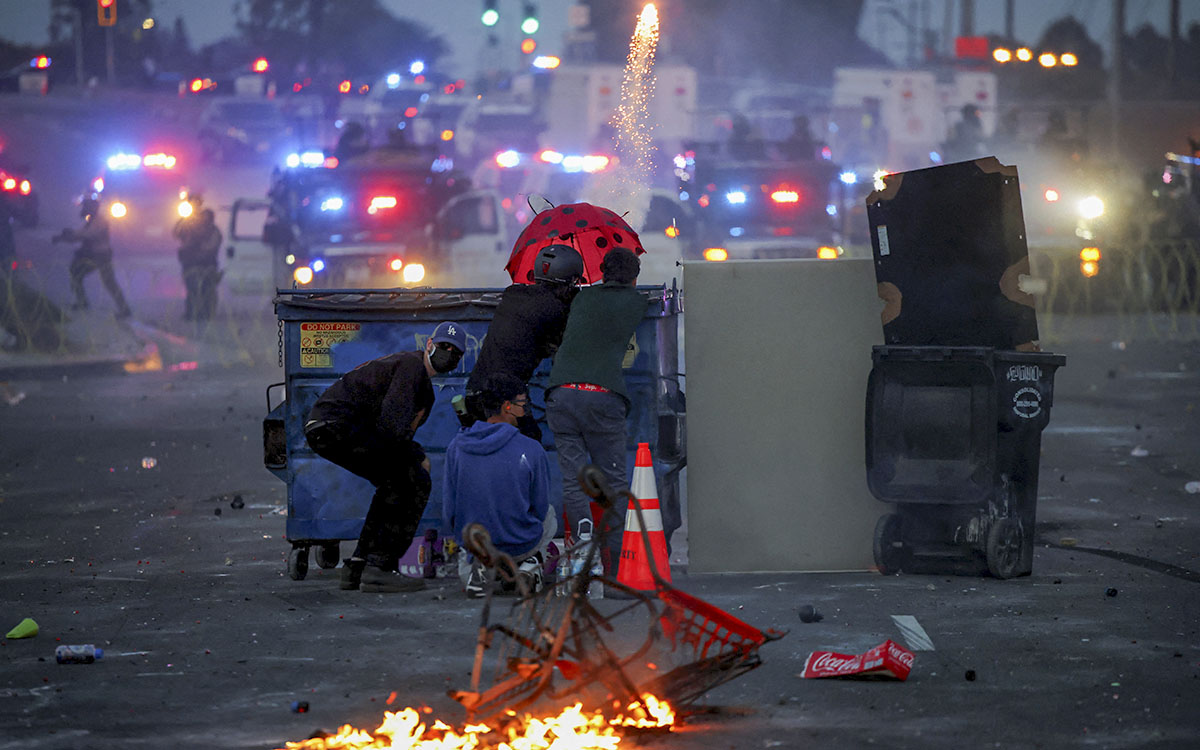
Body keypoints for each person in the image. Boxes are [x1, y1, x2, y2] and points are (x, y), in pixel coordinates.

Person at [303, 320, 467, 593]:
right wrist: (417, 456)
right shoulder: (411, 367)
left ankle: (359, 564)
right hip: (338, 425)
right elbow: (392, 426)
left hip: (329, 427)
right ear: (428, 345)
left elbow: (394, 433)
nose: (447, 353)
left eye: (455, 351)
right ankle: (380, 568)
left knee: (394, 482)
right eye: (443, 346)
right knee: (413, 481)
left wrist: (412, 455)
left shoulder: (420, 385)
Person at [545, 247, 644, 576]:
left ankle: (582, 553)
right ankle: (614, 566)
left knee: (574, 482)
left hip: (562, 393)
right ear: (634, 278)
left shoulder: (582, 299)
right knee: (613, 481)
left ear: (601, 271)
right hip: (603, 396)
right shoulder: (636, 302)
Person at [443, 373, 554, 598]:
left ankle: (485, 569)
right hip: (520, 544)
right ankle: (528, 567)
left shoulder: (456, 447)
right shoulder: (532, 449)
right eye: (522, 404)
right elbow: (540, 508)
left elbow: (450, 512)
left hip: (476, 547)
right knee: (550, 515)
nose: (525, 410)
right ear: (507, 406)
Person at [462, 244, 584, 441]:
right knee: (530, 442)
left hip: (474, 392)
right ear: (567, 282)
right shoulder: (554, 309)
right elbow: (561, 346)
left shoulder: (513, 295)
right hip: (503, 399)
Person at [53, 195, 132, 319]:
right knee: (76, 273)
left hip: (101, 255)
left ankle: (124, 309)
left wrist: (69, 235)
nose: (84, 209)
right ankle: (83, 302)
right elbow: (82, 234)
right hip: (95, 255)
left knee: (108, 282)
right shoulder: (93, 220)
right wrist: (64, 237)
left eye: (86, 206)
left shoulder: (99, 221)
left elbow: (87, 234)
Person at [176, 208, 223, 321]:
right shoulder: (193, 230)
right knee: (192, 290)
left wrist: (195, 250)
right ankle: (191, 313)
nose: (203, 221)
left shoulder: (214, 232)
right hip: (192, 265)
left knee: (207, 291)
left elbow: (210, 248)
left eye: (206, 219)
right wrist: (184, 219)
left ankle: (206, 314)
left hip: (207, 265)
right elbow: (178, 234)